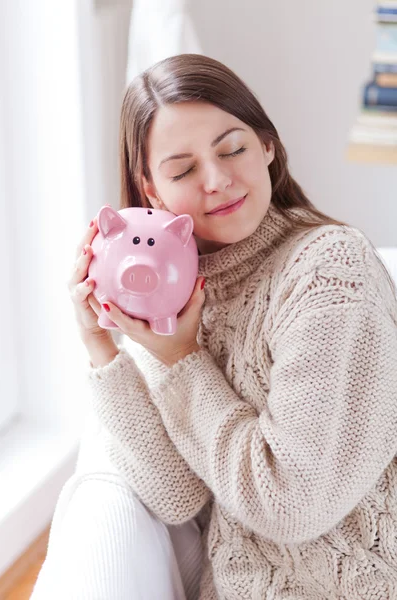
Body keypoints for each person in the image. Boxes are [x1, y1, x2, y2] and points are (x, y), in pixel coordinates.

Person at [42, 54, 397, 599]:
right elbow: (176, 497)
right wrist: (104, 348)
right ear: (152, 190)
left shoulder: (330, 270)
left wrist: (183, 361)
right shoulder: (172, 295)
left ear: (267, 146)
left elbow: (290, 502)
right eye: (182, 170)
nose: (217, 181)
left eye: (232, 148)